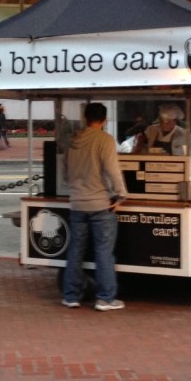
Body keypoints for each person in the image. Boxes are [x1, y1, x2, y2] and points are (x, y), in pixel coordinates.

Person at [61, 102, 128, 311]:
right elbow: (112, 170)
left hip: (77, 203)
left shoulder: (72, 141)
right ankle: (105, 298)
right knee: (104, 252)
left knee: (75, 251)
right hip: (100, 204)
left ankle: (71, 295)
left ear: (85, 118)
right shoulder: (105, 140)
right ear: (105, 120)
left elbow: (65, 174)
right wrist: (121, 194)